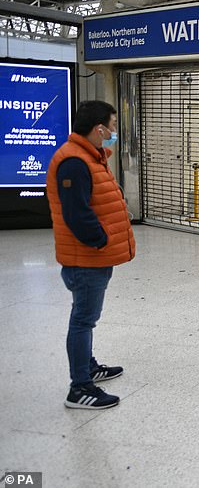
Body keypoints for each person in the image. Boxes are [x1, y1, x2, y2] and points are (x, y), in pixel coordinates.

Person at [46, 100, 136, 409]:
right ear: (98, 129)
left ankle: (89, 367)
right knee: (83, 320)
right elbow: (76, 213)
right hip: (86, 258)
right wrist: (101, 241)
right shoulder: (74, 161)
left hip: (94, 257)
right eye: (111, 125)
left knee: (87, 317)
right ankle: (79, 387)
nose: (113, 131)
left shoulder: (90, 156)